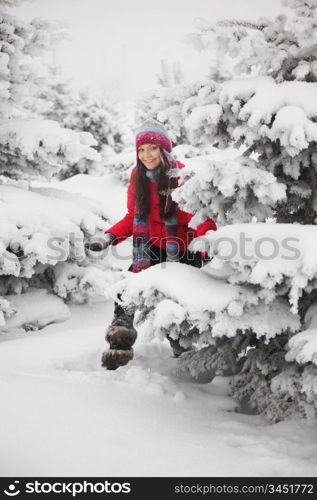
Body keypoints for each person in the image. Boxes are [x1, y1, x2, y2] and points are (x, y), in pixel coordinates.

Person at [86, 119, 217, 370]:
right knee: (127, 292)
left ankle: (186, 356)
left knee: (173, 306)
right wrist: (109, 237)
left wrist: (206, 244)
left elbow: (201, 217)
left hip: (184, 252)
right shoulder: (138, 177)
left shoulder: (181, 177)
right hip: (151, 250)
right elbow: (132, 216)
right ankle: (119, 348)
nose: (146, 155)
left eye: (153, 148)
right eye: (141, 149)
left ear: (164, 150)